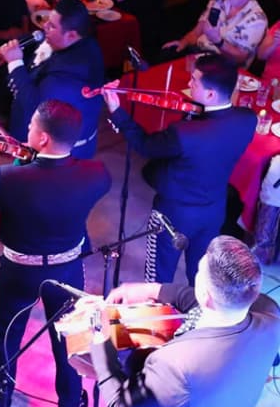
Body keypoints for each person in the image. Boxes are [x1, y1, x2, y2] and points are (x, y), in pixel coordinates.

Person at [0, 100, 111, 407]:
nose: (27, 129)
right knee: (68, 338)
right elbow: (58, 186)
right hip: (66, 269)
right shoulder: (96, 174)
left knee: (5, 337)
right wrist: (33, 161)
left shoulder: (10, 178)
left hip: (19, 270)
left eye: (32, 125)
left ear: (43, 138)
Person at [89, 236, 280, 407]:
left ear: (206, 295)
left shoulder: (176, 365)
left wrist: (100, 338)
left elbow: (121, 405)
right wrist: (153, 290)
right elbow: (198, 301)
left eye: (199, 272)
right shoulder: (271, 318)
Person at [102, 54, 257, 285]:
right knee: (202, 274)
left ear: (211, 95)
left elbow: (145, 145)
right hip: (213, 209)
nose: (189, 84)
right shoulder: (248, 119)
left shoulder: (183, 134)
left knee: (158, 275)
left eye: (194, 81)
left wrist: (117, 110)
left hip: (173, 213)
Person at [0, 0, 105, 158]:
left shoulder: (70, 74)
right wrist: (7, 49)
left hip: (59, 153)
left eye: (52, 26)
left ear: (71, 35)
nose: (45, 27)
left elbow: (33, 105)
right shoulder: (77, 41)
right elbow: (40, 40)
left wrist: (15, 62)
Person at [163, 0, 267, 68]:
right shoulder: (218, 1)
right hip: (198, 54)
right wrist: (183, 42)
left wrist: (218, 41)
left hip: (225, 67)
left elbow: (240, 59)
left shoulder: (257, 19)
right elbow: (196, 32)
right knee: (167, 54)